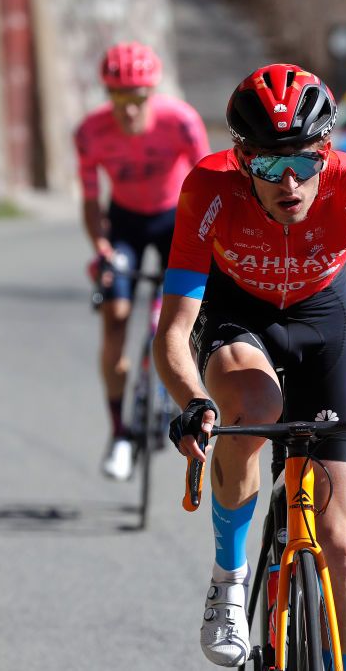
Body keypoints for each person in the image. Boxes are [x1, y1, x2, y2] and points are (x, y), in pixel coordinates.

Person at [153, 63, 346, 669]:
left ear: (326, 154)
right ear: (241, 158)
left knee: (341, 542)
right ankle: (230, 576)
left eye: (304, 164)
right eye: (267, 165)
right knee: (254, 410)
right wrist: (193, 403)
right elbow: (173, 330)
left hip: (322, 319)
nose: (289, 183)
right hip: (237, 315)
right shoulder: (208, 188)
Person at [74, 41, 210, 479]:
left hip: (175, 220)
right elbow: (92, 199)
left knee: (177, 316)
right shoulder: (90, 132)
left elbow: (208, 186)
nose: (129, 111)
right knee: (114, 316)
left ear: (151, 94)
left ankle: (172, 378)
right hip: (126, 224)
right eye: (118, 99)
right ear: (107, 95)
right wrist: (101, 248)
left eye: (137, 100)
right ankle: (119, 433)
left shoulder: (182, 122)